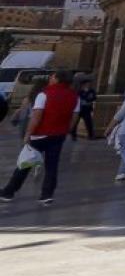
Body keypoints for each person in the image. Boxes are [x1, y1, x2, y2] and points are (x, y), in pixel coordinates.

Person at [0, 70, 80, 205]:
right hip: (58, 135)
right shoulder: (74, 96)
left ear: (57, 78)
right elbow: (74, 117)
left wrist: (28, 133)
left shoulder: (44, 94)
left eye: (52, 76)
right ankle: (47, 195)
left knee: (25, 163)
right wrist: (67, 130)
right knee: (52, 166)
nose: (50, 78)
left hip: (40, 135)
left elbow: (37, 116)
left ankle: (9, 191)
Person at [69, 75, 98, 140]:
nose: (88, 85)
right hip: (79, 109)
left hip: (87, 109)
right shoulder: (79, 91)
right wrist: (83, 101)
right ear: (83, 85)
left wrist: (90, 101)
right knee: (75, 122)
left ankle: (91, 135)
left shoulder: (91, 91)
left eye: (89, 84)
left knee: (89, 122)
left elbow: (94, 98)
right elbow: (77, 98)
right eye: (87, 84)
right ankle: (73, 135)